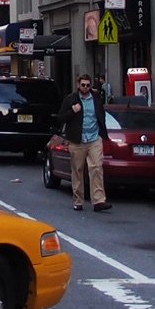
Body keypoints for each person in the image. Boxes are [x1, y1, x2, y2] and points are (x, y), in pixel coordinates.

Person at [53, 73, 111, 212]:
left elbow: (101, 115)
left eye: (88, 85)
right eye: (83, 85)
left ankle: (98, 201)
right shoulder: (71, 99)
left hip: (94, 138)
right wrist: (72, 111)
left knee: (96, 167)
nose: (85, 87)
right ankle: (78, 200)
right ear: (78, 85)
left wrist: (103, 134)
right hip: (77, 140)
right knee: (77, 170)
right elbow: (60, 118)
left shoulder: (96, 98)